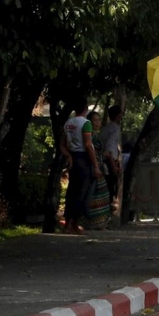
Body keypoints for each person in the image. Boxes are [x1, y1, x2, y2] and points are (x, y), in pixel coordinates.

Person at [59, 97, 102, 235]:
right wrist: (95, 165)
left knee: (71, 191)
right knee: (82, 192)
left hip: (73, 159)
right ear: (85, 109)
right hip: (84, 158)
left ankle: (68, 224)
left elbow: (62, 145)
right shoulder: (86, 123)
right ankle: (75, 223)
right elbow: (88, 145)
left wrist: (68, 156)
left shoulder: (68, 123)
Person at [84, 111, 111, 230]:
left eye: (99, 120)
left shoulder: (96, 135)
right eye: (95, 120)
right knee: (94, 195)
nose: (98, 123)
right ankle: (94, 223)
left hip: (99, 166)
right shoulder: (91, 136)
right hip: (93, 167)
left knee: (102, 195)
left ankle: (101, 223)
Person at [101, 105, 123, 212]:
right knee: (111, 187)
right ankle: (107, 212)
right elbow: (109, 149)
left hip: (106, 160)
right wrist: (114, 166)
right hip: (110, 161)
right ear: (118, 116)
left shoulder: (105, 129)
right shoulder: (115, 129)